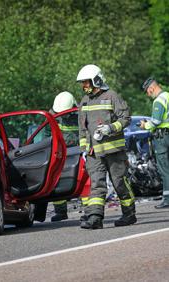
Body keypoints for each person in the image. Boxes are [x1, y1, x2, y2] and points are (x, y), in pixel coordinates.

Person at [76, 64, 136, 229]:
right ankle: (95, 218)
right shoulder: (84, 102)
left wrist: (111, 128)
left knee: (119, 182)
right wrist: (84, 150)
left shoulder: (111, 96)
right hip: (93, 153)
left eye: (86, 82)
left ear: (96, 80)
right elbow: (82, 129)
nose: (84, 86)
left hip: (114, 150)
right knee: (97, 184)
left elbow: (126, 117)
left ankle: (129, 214)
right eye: (82, 83)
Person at [50, 91, 79, 221]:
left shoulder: (80, 115)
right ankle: (60, 212)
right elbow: (46, 136)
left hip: (78, 152)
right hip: (61, 154)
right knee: (58, 181)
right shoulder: (52, 117)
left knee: (82, 181)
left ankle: (90, 211)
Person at [141, 77, 169, 209]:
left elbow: (156, 121)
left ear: (151, 88)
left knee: (164, 169)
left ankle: (167, 199)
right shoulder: (168, 96)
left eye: (147, 91)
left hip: (162, 138)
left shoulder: (159, 100)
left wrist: (145, 125)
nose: (148, 94)